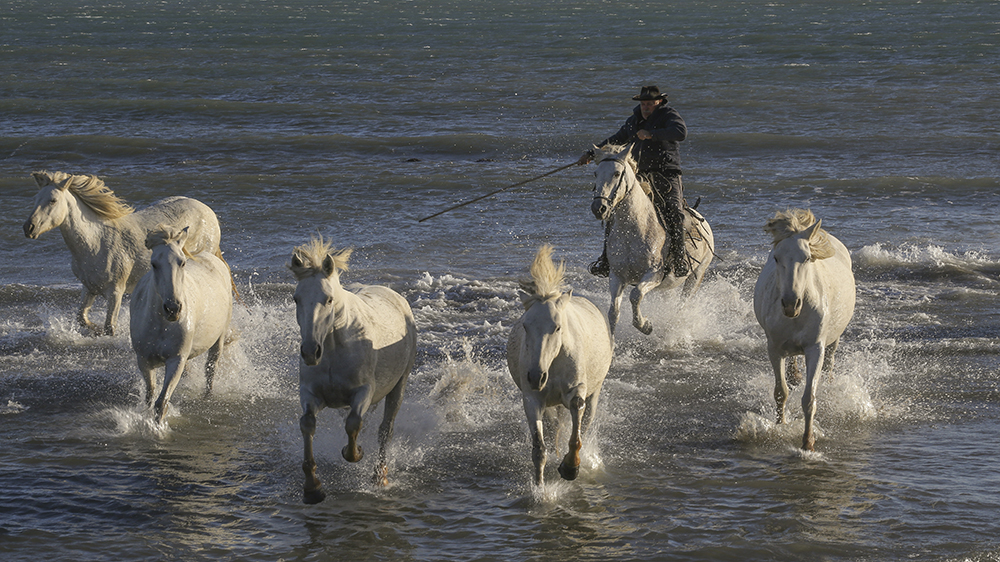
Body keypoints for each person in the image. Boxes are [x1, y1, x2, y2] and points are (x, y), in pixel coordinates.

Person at [578, 85, 689, 278]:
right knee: (614, 211)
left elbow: (681, 132)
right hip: (639, 174)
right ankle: (606, 260)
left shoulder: (669, 115)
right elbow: (617, 138)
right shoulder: (633, 121)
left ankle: (679, 258)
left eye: (650, 103)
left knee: (673, 210)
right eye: (643, 104)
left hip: (667, 173)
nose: (646, 107)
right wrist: (591, 153)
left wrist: (652, 134)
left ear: (659, 102)